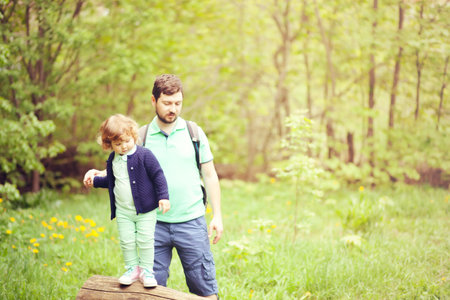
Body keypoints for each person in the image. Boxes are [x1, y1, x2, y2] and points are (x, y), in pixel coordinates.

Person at [84, 74, 223, 299]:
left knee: (204, 287)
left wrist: (217, 215)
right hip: (153, 223)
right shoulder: (141, 137)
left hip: (192, 222)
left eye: (178, 103)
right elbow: (122, 169)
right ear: (153, 101)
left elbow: (210, 174)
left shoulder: (194, 134)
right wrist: (97, 174)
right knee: (151, 290)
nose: (173, 109)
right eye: (167, 103)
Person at [84, 114, 170, 288]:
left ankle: (146, 271)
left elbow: (158, 175)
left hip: (145, 210)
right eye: (118, 144)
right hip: (123, 211)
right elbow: (112, 181)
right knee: (127, 240)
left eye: (127, 141)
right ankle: (132, 269)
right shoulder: (113, 160)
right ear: (109, 144)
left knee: (145, 240)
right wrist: (95, 181)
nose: (124, 146)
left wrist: (163, 197)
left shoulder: (144, 155)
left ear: (134, 136)